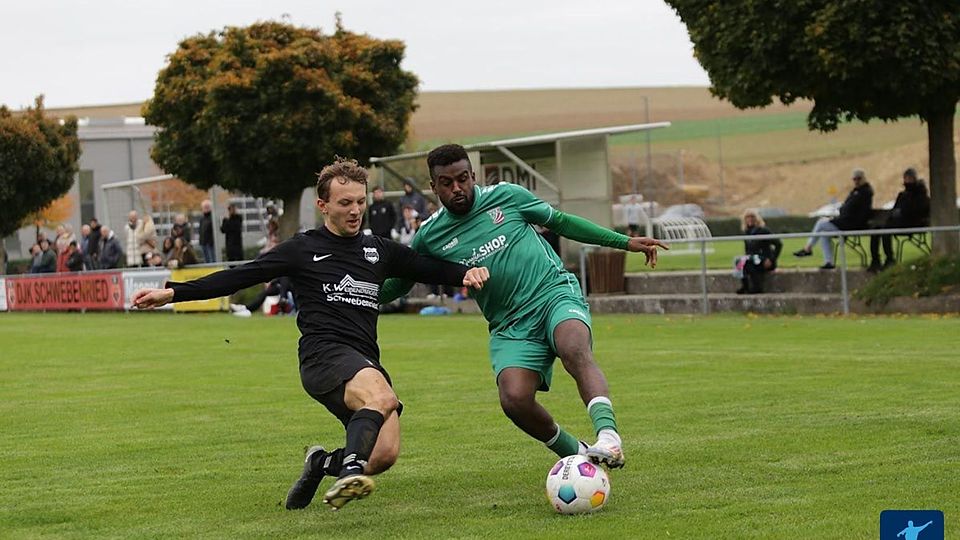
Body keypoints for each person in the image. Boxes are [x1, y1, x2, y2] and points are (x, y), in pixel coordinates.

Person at [131, 157, 491, 511]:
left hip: (364, 359)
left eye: (361, 202)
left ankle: (321, 463)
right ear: (323, 205)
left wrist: (464, 273)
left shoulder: (377, 250)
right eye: (345, 203)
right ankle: (349, 472)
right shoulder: (303, 249)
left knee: (383, 455)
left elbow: (426, 266)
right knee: (381, 398)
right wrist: (173, 292)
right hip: (324, 357)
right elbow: (241, 275)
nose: (355, 211)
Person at [381, 144, 668, 471]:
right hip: (509, 325)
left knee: (573, 347)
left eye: (463, 179)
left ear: (473, 176)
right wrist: (360, 292)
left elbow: (562, 222)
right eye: (446, 183)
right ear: (433, 187)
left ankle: (609, 437)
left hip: (553, 294)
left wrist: (624, 242)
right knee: (514, 399)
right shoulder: (430, 235)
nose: (457, 188)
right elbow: (400, 283)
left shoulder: (507, 197)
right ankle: (580, 454)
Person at [793, 168, 874, 269]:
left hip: (852, 224)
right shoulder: (856, 192)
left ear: (863, 178)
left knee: (821, 223)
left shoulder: (864, 192)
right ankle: (828, 262)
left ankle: (808, 248)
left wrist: (842, 212)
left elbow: (851, 209)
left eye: (858, 179)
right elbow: (846, 207)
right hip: (847, 221)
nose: (856, 181)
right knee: (823, 233)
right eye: (854, 179)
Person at [869, 168, 930, 272]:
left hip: (913, 223)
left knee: (886, 230)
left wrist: (901, 212)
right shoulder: (903, 195)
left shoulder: (920, 194)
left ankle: (890, 259)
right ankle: (875, 260)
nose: (907, 181)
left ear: (914, 179)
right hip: (900, 222)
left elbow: (917, 211)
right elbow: (896, 209)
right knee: (876, 229)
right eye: (905, 178)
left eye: (909, 178)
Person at [734, 210, 782, 294]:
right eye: (747, 217)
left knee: (749, 263)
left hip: (765, 260)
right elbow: (748, 251)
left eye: (752, 217)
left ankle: (757, 287)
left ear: (757, 219)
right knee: (739, 261)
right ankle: (745, 286)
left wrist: (771, 259)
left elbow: (778, 244)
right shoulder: (746, 233)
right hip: (752, 259)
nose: (750, 219)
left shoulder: (763, 231)